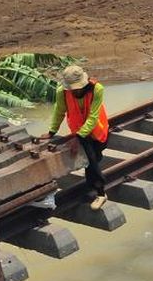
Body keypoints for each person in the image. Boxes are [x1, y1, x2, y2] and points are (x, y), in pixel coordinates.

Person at [47, 65, 109, 209]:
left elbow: (93, 117)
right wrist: (52, 131)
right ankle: (100, 193)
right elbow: (59, 111)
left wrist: (77, 137)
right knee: (91, 161)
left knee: (93, 160)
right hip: (79, 133)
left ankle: (95, 190)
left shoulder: (97, 89)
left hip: (96, 131)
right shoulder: (62, 92)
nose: (76, 91)